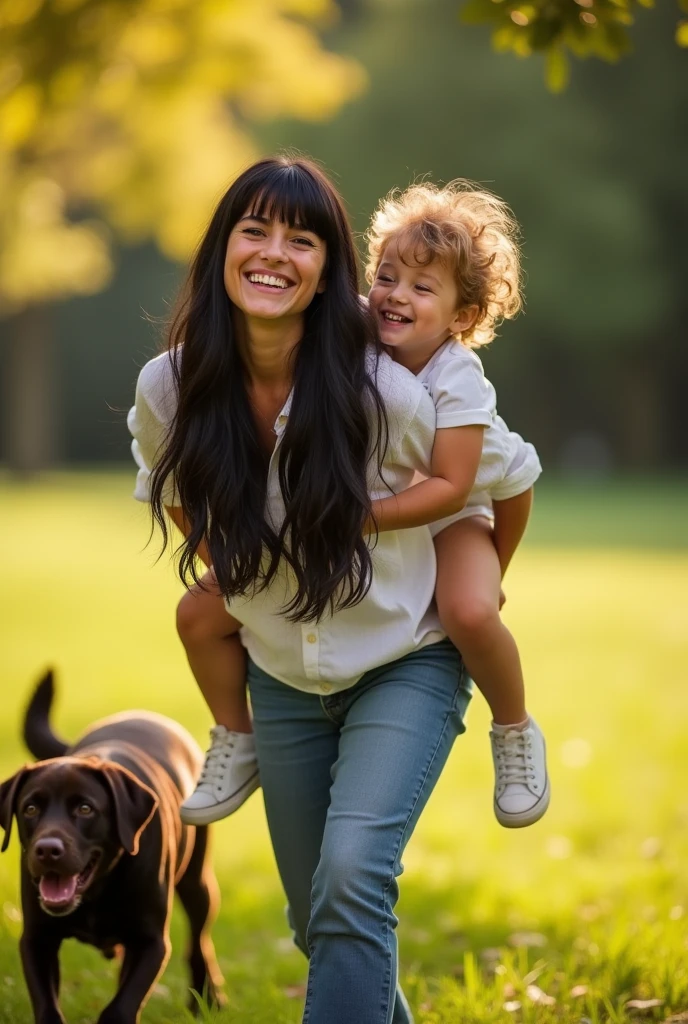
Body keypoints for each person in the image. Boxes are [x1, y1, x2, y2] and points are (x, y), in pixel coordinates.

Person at [128, 154, 472, 1024]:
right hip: (281, 671)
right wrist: (227, 563)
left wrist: (485, 586)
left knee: (352, 875)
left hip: (405, 655)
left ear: (329, 272)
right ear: (222, 251)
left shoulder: (383, 392)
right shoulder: (170, 384)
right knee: (320, 919)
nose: (275, 252)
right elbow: (167, 485)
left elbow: (491, 471)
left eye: (302, 237)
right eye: (255, 229)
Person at [365, 180, 548, 828]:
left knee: (470, 611)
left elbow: (459, 485)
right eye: (387, 277)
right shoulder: (363, 333)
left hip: (466, 500)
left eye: (422, 288)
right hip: (402, 494)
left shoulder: (457, 373)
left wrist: (494, 566)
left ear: (462, 316)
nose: (396, 296)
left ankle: (514, 728)